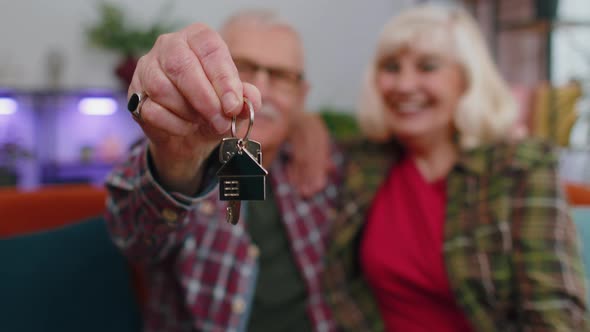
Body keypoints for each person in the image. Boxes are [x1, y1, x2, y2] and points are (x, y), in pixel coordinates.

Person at [321, 4, 588, 332]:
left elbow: (557, 317)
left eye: (427, 67)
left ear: (467, 80)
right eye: (391, 67)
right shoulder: (363, 162)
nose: (404, 85)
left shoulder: (520, 169)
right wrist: (306, 126)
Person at [105, 10, 339, 332]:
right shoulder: (176, 146)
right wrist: (176, 161)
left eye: (282, 76)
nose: (263, 90)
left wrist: (312, 125)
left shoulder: (325, 162)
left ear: (301, 96)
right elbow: (132, 235)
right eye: (244, 67)